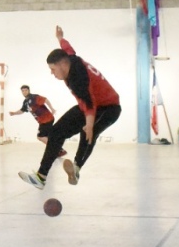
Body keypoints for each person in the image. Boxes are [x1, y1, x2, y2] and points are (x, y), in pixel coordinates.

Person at [19, 26, 121, 189]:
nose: (52, 73)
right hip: (90, 104)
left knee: (88, 132)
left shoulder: (78, 79)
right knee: (57, 132)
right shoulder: (70, 58)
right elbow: (67, 48)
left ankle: (76, 167)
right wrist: (60, 38)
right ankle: (41, 176)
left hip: (109, 107)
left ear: (62, 65)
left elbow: (90, 104)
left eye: (53, 69)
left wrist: (89, 125)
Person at [9, 84, 66, 157]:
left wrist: (52, 109)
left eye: (26, 90)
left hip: (46, 119)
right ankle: (58, 150)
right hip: (42, 121)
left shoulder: (34, 97)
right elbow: (22, 110)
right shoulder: (25, 102)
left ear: (29, 90)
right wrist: (14, 113)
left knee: (40, 136)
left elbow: (45, 99)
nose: (24, 92)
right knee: (47, 137)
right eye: (22, 91)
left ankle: (58, 150)